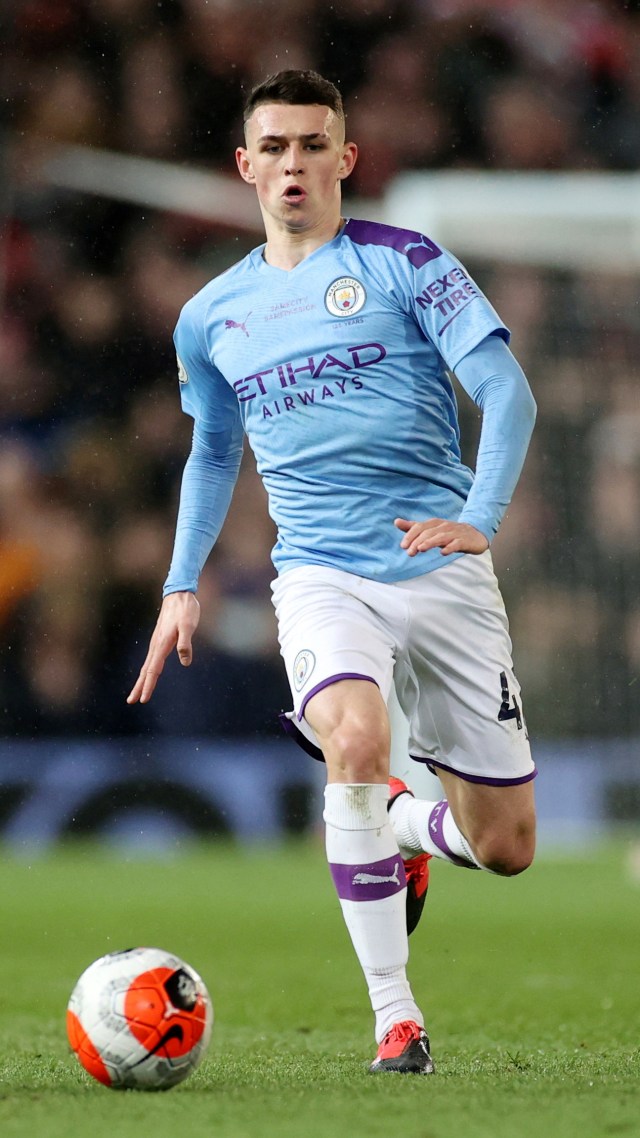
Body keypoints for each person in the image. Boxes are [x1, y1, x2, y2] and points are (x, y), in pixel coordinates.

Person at [128, 69, 537, 1075]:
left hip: (435, 568)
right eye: (273, 147)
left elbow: (507, 391)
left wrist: (479, 517)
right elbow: (213, 451)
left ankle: (404, 825)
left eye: (313, 144)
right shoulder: (211, 314)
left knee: (506, 846)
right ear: (245, 166)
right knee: (352, 741)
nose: (293, 164)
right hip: (319, 573)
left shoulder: (408, 263)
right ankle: (396, 1019)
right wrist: (182, 582)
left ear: (345, 158)